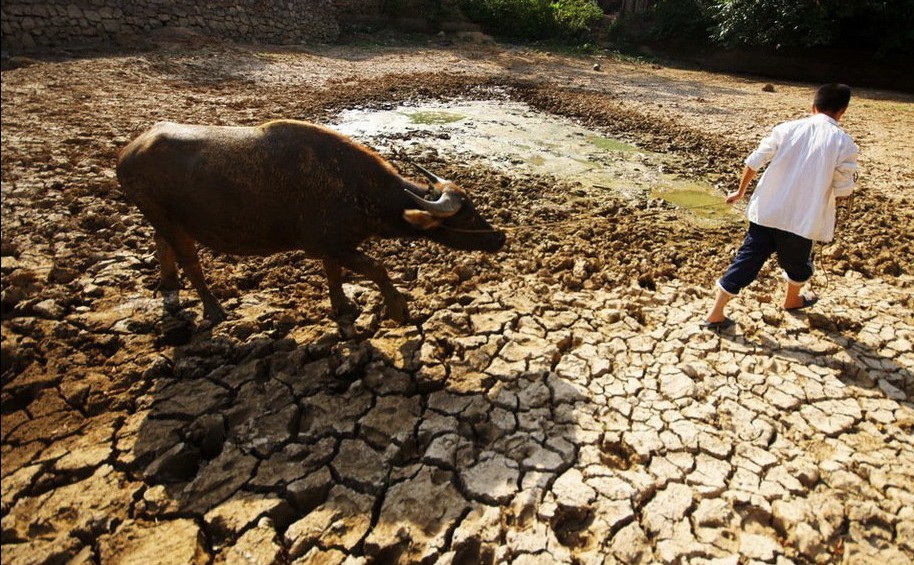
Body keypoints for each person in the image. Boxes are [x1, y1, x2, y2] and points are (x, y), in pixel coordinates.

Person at [702, 83, 859, 329]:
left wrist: (740, 191)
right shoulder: (845, 144)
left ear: (813, 106)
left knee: (746, 260)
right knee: (798, 264)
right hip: (801, 220)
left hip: (766, 211)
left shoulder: (786, 129)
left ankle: (715, 313)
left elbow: (755, 160)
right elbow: (843, 190)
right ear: (842, 111)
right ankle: (792, 299)